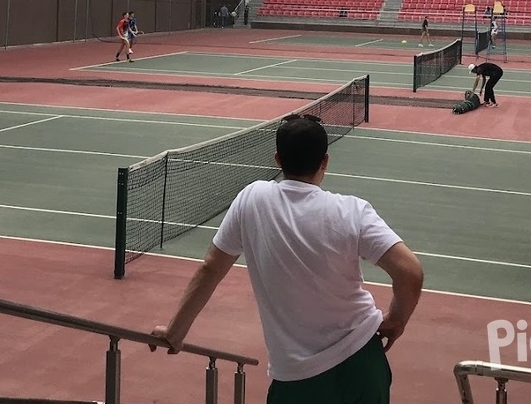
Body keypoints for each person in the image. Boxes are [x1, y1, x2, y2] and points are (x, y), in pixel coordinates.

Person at [150, 114, 424, 403]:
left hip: (297, 379)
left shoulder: (251, 200)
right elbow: (410, 273)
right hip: (363, 365)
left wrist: (175, 331)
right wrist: (396, 320)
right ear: (325, 161)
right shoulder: (352, 211)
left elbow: (210, 269)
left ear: (278, 159)